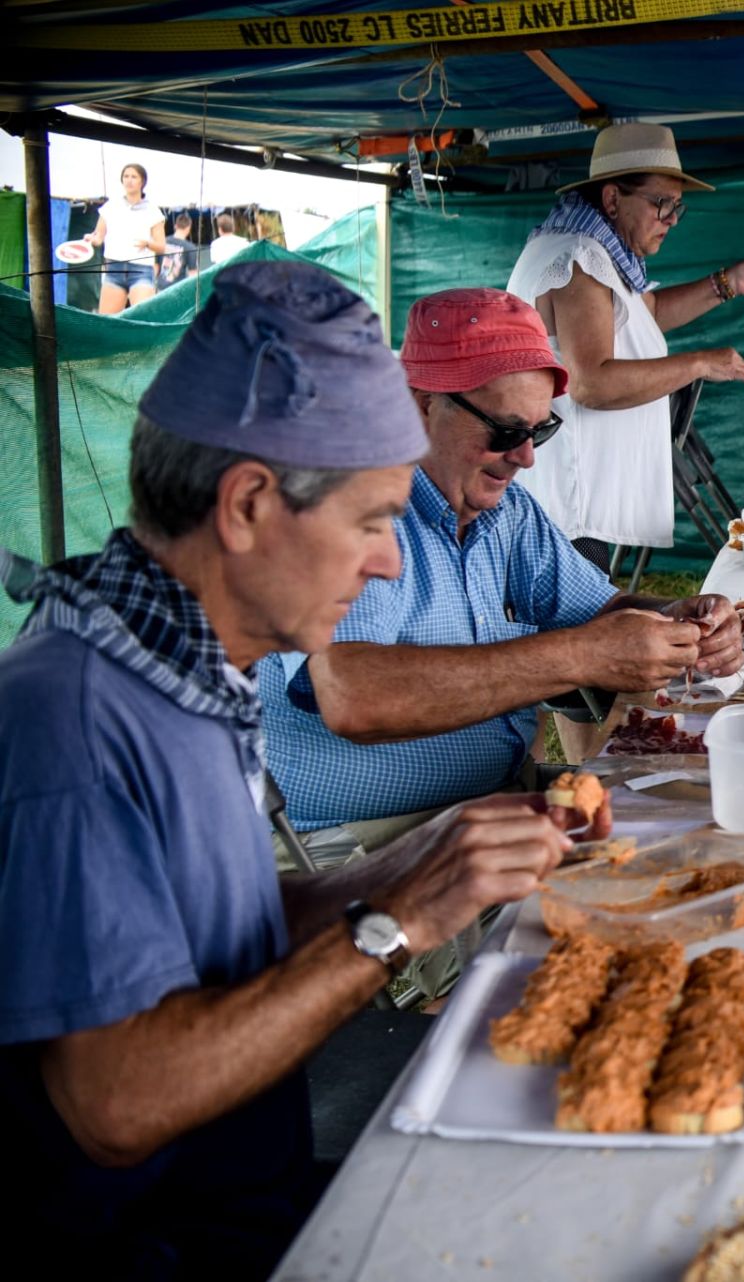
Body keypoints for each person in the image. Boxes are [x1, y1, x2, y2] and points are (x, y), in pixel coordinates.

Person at [0, 261, 595, 1279]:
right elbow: (116, 1107)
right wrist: (394, 920)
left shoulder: (182, 667)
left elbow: (209, 933)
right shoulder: (75, 721)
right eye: (369, 524)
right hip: (152, 1240)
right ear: (247, 505)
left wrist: (414, 861)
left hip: (247, 1180)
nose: (389, 563)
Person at [259, 288, 743, 859]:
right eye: (507, 431)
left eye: (539, 432)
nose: (525, 457)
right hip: (357, 846)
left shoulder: (503, 510)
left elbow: (599, 609)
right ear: (420, 407)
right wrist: (580, 656)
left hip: (489, 806)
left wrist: (675, 616)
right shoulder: (341, 505)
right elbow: (353, 696)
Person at [508, 123, 744, 572]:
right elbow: (590, 382)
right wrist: (700, 363)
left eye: (676, 207)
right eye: (661, 204)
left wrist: (727, 283)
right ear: (612, 199)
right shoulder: (579, 258)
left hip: (575, 501)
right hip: (572, 508)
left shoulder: (591, 247)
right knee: (576, 633)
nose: (671, 219)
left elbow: (642, 315)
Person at [88, 161, 165, 313]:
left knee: (143, 320)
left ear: (142, 181)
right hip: (113, 268)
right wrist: (90, 239)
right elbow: (98, 237)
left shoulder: (153, 210)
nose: (129, 180)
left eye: (134, 177)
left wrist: (147, 244)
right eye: (126, 176)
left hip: (141, 270)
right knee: (107, 321)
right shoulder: (110, 206)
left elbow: (161, 246)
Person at [155, 211, 201, 290]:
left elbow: (156, 266)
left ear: (175, 226)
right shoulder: (190, 248)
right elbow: (192, 273)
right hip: (178, 288)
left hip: (160, 287)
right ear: (188, 228)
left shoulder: (162, 242)